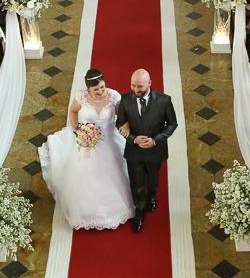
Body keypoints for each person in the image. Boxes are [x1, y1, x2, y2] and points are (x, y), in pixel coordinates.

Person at [37, 68, 136, 230]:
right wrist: (77, 131)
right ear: (88, 89)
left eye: (102, 87)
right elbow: (73, 111)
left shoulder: (113, 96)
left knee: (117, 170)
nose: (100, 91)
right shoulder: (81, 97)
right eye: (95, 89)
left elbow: (126, 114)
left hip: (110, 139)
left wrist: (126, 125)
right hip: (88, 141)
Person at [114, 69, 179, 234]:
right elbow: (120, 122)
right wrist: (133, 139)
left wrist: (155, 140)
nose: (136, 90)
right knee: (136, 183)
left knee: (153, 179)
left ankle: (152, 197)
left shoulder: (164, 100)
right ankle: (140, 212)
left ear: (149, 83)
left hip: (155, 150)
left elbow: (172, 124)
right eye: (133, 86)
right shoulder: (125, 99)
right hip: (134, 151)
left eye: (140, 86)